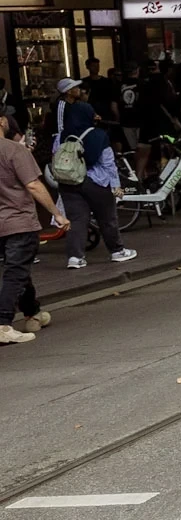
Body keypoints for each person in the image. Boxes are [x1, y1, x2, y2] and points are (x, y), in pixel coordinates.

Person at [51, 80, 136, 269]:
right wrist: (116, 186)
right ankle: (117, 251)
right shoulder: (98, 136)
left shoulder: (63, 134)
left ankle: (75, 257)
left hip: (69, 181)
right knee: (107, 218)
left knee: (76, 220)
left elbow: (56, 154)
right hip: (96, 182)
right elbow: (108, 164)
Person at [1, 112, 67, 345]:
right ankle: (3, 323)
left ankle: (33, 312)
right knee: (15, 272)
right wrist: (57, 214)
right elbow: (33, 185)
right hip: (18, 220)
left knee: (19, 269)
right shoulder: (14, 151)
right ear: (1, 121)